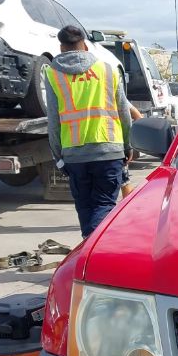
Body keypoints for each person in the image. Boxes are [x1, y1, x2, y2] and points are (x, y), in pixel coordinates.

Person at [44, 25, 133, 238]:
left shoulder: (53, 74)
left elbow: (53, 121)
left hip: (74, 155)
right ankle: (93, 251)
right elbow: (123, 112)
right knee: (104, 205)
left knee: (84, 207)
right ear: (84, 45)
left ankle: (89, 249)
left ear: (61, 47)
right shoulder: (108, 70)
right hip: (108, 150)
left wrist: (58, 157)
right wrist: (128, 145)